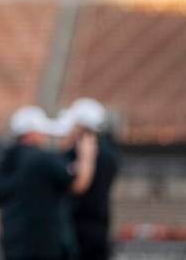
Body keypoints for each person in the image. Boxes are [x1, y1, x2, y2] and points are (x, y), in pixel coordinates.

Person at [0, 105, 97, 260]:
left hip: (12, 246)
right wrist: (87, 154)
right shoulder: (43, 159)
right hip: (45, 247)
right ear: (32, 133)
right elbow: (79, 184)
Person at [62, 98, 120, 260]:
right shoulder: (110, 152)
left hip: (78, 231)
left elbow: (76, 186)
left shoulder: (79, 152)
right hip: (99, 228)